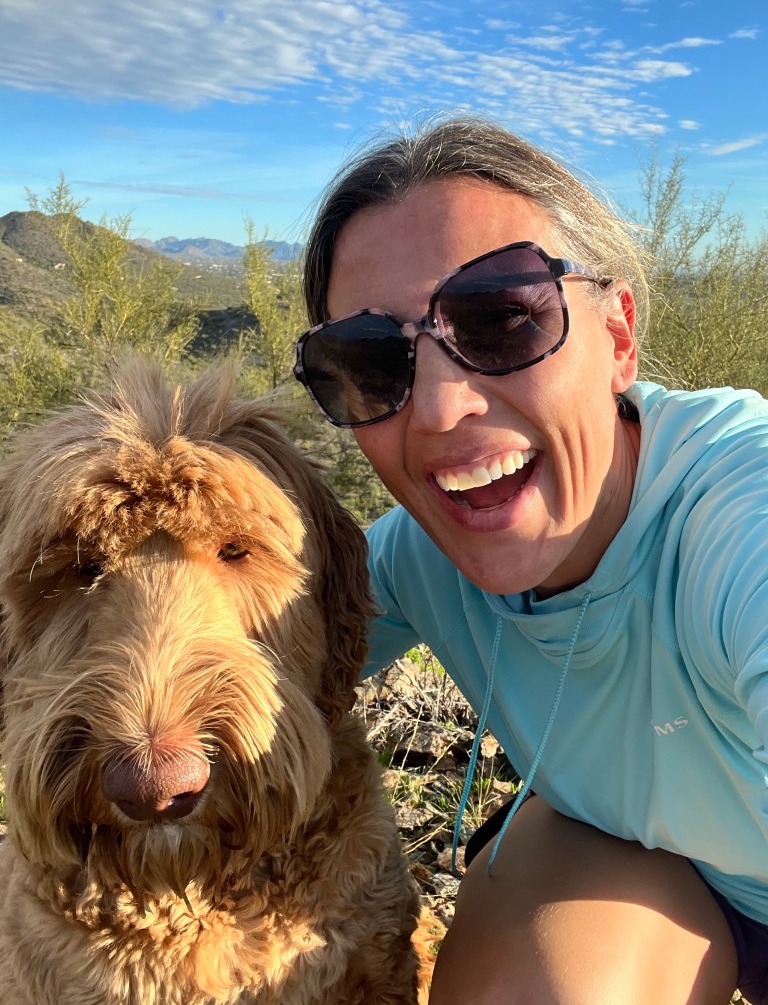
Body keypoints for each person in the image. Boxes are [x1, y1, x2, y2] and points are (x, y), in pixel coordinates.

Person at [294, 116, 768, 1004]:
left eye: (503, 319)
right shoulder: (416, 558)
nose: (440, 409)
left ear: (618, 338)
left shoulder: (738, 517)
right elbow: (216, 673)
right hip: (656, 871)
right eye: (367, 362)